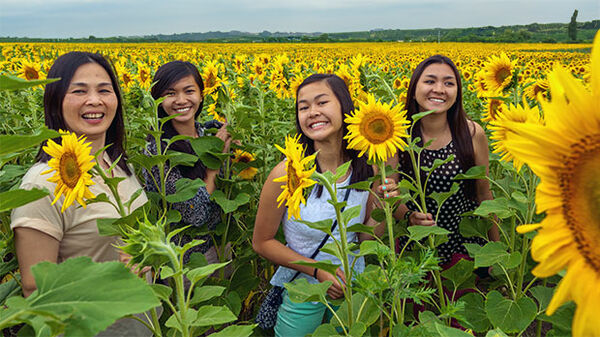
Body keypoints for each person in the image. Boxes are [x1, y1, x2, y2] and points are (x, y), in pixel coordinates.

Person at [11, 51, 151, 336]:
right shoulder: (44, 181)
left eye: (104, 90)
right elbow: (36, 288)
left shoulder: (118, 165)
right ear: (56, 101)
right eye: (79, 91)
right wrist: (117, 282)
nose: (94, 101)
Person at [252, 74, 379, 337]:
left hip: (354, 292)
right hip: (304, 291)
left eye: (322, 102)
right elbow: (262, 242)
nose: (313, 112)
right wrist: (318, 270)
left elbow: (365, 237)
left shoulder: (368, 167)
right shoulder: (287, 173)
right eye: (303, 107)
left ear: (344, 106)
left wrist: (384, 206)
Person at [380, 54, 500, 266]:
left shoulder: (472, 134)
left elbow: (484, 194)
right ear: (414, 90)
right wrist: (409, 216)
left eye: (448, 83)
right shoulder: (397, 136)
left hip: (464, 247)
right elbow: (389, 193)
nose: (439, 89)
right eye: (430, 81)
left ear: (457, 92)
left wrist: (497, 252)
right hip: (415, 247)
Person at [144, 61, 232, 265]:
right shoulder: (157, 153)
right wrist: (214, 163)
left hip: (223, 244)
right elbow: (195, 213)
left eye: (189, 91)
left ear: (201, 95)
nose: (181, 100)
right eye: (170, 93)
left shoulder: (208, 133)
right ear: (157, 100)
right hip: (185, 258)